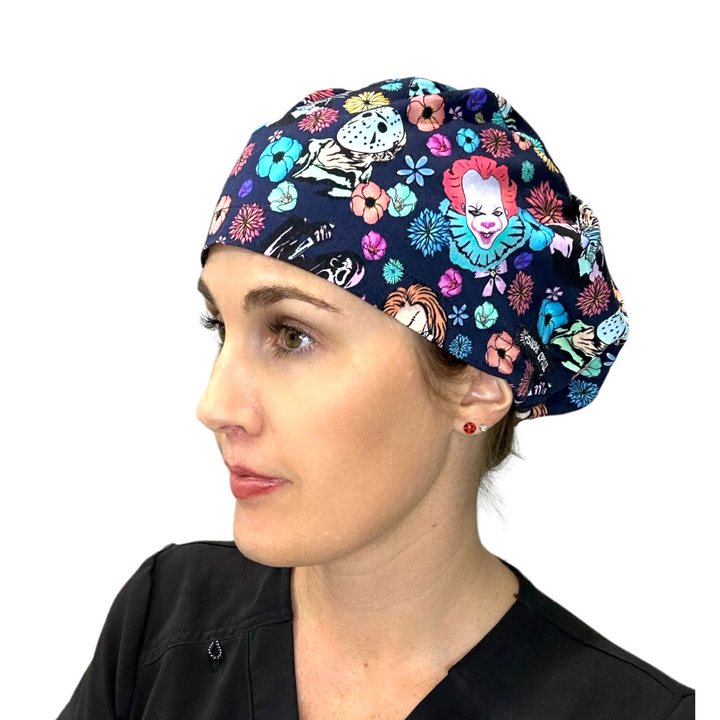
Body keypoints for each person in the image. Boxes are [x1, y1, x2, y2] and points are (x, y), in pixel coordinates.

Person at [56, 77, 695, 719]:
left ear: (480, 384)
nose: (214, 407)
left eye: (292, 335)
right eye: (219, 327)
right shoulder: (164, 624)